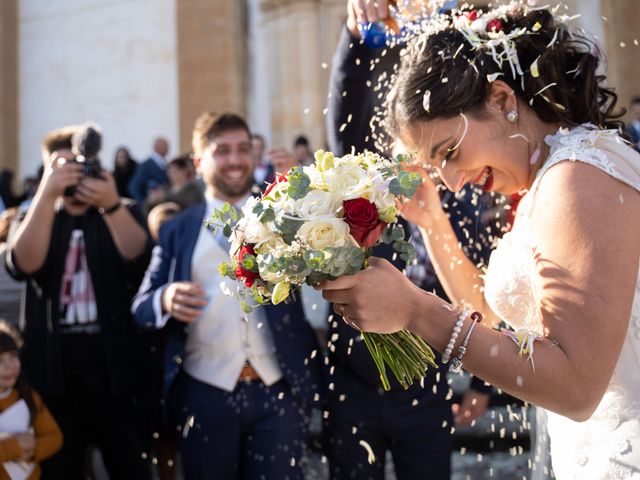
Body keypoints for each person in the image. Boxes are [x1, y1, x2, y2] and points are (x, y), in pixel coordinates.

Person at [320, 4, 640, 479]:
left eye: (449, 152)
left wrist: (415, 311)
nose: (450, 182)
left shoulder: (576, 179)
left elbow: (576, 387)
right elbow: (491, 316)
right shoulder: (549, 178)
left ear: (501, 98)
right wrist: (432, 222)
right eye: (434, 166)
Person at [322, 3, 494, 478]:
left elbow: (483, 293)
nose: (410, 158)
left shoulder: (461, 202)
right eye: (401, 147)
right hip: (353, 382)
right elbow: (346, 104)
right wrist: (355, 37)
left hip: (424, 383)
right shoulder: (364, 189)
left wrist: (482, 383)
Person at [132, 112, 325, 480]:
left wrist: (302, 195)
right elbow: (142, 305)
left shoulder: (283, 215)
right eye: (222, 150)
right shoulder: (177, 230)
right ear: (199, 161)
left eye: (242, 149)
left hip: (278, 392)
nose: (235, 159)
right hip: (205, 393)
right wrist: (166, 298)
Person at [4, 124, 154, 479]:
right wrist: (46, 195)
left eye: (80, 165)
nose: (73, 176)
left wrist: (111, 204)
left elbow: (139, 258)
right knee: (60, 467)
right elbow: (23, 263)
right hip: (53, 365)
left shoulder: (121, 209)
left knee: (129, 463)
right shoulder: (35, 214)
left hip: (114, 363)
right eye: (62, 167)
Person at [0, 320, 63, 479]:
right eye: (0, 360)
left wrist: (32, 451)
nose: (9, 366)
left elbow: (55, 437)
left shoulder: (28, 396)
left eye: (13, 356)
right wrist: (14, 447)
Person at [127, 137, 170, 204]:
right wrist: (144, 204)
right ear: (158, 147)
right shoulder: (146, 165)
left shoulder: (165, 164)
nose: (168, 149)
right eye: (166, 146)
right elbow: (133, 187)